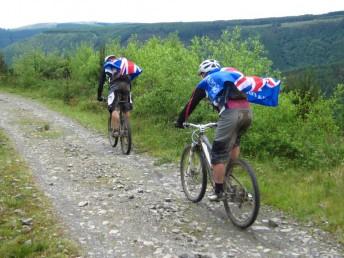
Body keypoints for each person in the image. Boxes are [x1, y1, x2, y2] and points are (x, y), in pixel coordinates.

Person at [175, 59, 253, 201]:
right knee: (234, 143)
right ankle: (228, 172)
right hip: (247, 112)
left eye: (201, 75)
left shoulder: (207, 81)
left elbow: (191, 104)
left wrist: (180, 121)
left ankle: (218, 191)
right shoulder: (229, 76)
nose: (201, 77)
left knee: (217, 153)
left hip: (231, 114)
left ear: (204, 73)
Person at [97, 54, 142, 136]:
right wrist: (128, 91)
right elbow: (129, 80)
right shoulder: (122, 64)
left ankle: (116, 131)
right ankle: (126, 129)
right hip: (127, 87)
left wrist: (99, 96)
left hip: (115, 88)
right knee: (126, 109)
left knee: (113, 108)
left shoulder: (108, 65)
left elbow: (101, 83)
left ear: (107, 60)